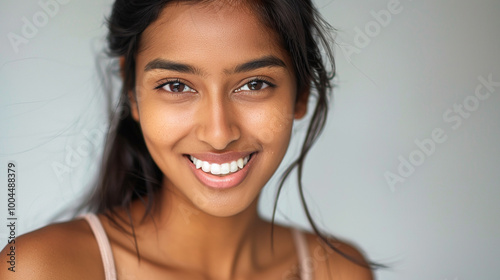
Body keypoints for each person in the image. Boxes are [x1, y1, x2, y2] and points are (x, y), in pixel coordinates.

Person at [1, 0, 380, 279]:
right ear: (133, 91)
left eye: (254, 84)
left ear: (301, 93)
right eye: (176, 85)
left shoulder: (340, 271)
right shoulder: (39, 269)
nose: (218, 133)